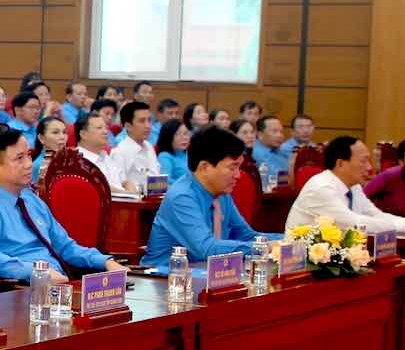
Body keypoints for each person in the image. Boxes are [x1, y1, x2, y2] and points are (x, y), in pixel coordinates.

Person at [0, 126, 127, 284]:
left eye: (28, 155)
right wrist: (36, 273)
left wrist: (105, 262)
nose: (29, 164)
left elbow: (65, 246)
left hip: (62, 283)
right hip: (24, 290)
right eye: (19, 158)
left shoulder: (31, 199)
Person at [144, 126, 273, 272]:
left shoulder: (222, 194)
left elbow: (247, 236)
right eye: (232, 168)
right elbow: (206, 249)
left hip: (208, 275)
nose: (238, 175)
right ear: (205, 167)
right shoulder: (182, 197)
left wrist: (284, 241)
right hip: (165, 279)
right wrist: (265, 247)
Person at [286, 135, 405, 236]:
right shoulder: (321, 188)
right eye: (363, 161)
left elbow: (375, 215)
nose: (369, 167)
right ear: (341, 163)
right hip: (300, 262)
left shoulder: (353, 186)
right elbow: (355, 223)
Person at [106, 100, 159, 194]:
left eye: (149, 120)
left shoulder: (149, 146)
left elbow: (157, 179)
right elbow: (119, 186)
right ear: (128, 126)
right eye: (142, 121)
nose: (148, 126)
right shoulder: (120, 152)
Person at [251, 115, 290, 181]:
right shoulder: (257, 153)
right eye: (274, 131)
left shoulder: (280, 150)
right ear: (260, 135)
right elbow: (278, 180)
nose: (280, 135)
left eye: (281, 132)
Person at [32, 115, 67, 182]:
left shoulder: (69, 160)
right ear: (41, 138)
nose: (62, 137)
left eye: (64, 132)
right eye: (55, 132)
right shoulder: (40, 165)